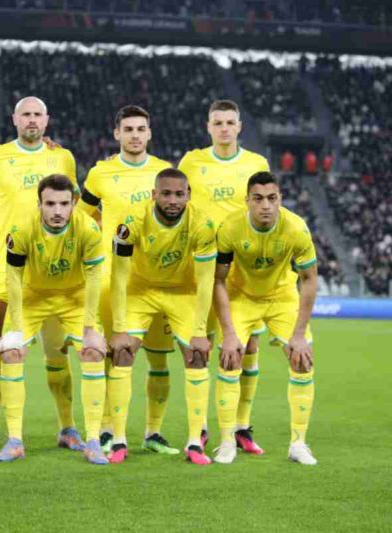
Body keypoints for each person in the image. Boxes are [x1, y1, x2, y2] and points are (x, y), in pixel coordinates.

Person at [0, 96, 83, 452]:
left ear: (47, 120)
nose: (31, 120)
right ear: (14, 119)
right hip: (5, 266)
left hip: (52, 268)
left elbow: (74, 207)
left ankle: (68, 428)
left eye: (37, 115)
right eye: (25, 114)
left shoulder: (63, 158)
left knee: (57, 353)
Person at [79, 104, 178, 455]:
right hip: (113, 280)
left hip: (156, 280)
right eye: (128, 129)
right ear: (116, 133)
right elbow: (81, 217)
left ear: (149, 133)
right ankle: (108, 430)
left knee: (158, 359)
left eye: (140, 129)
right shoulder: (101, 173)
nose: (135, 135)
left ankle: (153, 432)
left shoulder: (163, 173)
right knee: (113, 355)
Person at [178, 99, 270, 453]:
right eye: (218, 123)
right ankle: (200, 427)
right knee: (201, 346)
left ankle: (242, 426)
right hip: (202, 268)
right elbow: (175, 200)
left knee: (249, 347)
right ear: (208, 127)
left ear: (239, 126)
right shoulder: (192, 162)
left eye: (230, 122)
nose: (224, 128)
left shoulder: (256, 164)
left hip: (244, 271)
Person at [108, 168, 217, 465]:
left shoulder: (203, 225)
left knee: (196, 354)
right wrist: (119, 328)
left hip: (182, 292)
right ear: (154, 194)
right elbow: (119, 276)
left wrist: (199, 331)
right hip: (140, 289)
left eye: (179, 194)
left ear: (188, 195)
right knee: (122, 352)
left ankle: (194, 443)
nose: (172, 200)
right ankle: (118, 440)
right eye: (166, 194)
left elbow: (206, 281)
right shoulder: (131, 221)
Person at [0, 175, 108, 464]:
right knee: (10, 352)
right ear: (39, 204)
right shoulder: (22, 229)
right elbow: (13, 278)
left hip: (74, 298)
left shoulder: (88, 229)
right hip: (33, 297)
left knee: (93, 351)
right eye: (50, 204)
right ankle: (14, 440)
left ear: (74, 204)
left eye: (64, 204)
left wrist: (89, 328)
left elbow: (94, 278)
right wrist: (17, 329)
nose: (57, 211)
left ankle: (92, 441)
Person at [213, 171, 318, 466]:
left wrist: (299, 335)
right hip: (241, 297)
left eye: (272, 198)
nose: (266, 206)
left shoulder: (296, 228)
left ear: (280, 199)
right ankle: (226, 442)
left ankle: (298, 443)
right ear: (247, 200)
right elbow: (217, 280)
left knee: (302, 360)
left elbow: (309, 279)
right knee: (230, 359)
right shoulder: (230, 228)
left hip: (281, 297)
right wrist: (229, 333)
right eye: (258, 199)